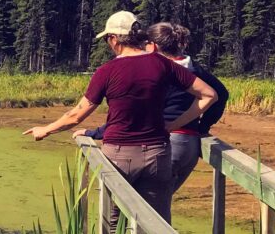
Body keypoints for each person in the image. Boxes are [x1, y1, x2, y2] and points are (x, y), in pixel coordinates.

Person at [23, 11, 219, 234]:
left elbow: (77, 115)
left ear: (115, 39)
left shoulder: (107, 72)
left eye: (108, 40)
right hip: (157, 154)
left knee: (113, 225)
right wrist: (173, 124)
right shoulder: (162, 65)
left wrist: (46, 129)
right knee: (156, 226)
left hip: (118, 156)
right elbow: (209, 95)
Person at [76, 22, 229, 195]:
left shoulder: (160, 71)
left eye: (143, 44)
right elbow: (221, 94)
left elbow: (137, 114)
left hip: (164, 144)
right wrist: (201, 127)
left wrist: (94, 133)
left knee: (139, 208)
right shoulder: (194, 69)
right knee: (158, 205)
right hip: (189, 146)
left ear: (153, 46)